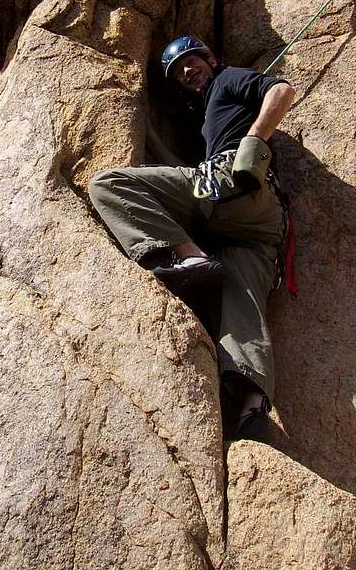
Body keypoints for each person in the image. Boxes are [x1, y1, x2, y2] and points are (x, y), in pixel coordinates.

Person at [88, 35, 296, 439]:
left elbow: (281, 90)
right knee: (243, 303)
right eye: (177, 71)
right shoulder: (206, 119)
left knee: (109, 185)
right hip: (253, 228)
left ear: (211, 58)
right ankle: (253, 407)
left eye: (190, 61)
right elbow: (185, 174)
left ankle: (189, 254)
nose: (186, 71)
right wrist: (148, 136)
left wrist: (255, 140)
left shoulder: (229, 80)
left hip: (235, 184)